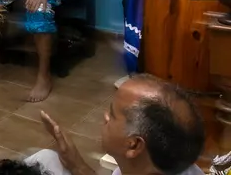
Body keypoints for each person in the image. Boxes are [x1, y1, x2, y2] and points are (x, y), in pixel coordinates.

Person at [26, 74, 204, 175]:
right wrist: (77, 165)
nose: (105, 117)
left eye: (112, 115)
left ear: (133, 144)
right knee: (47, 158)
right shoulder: (178, 167)